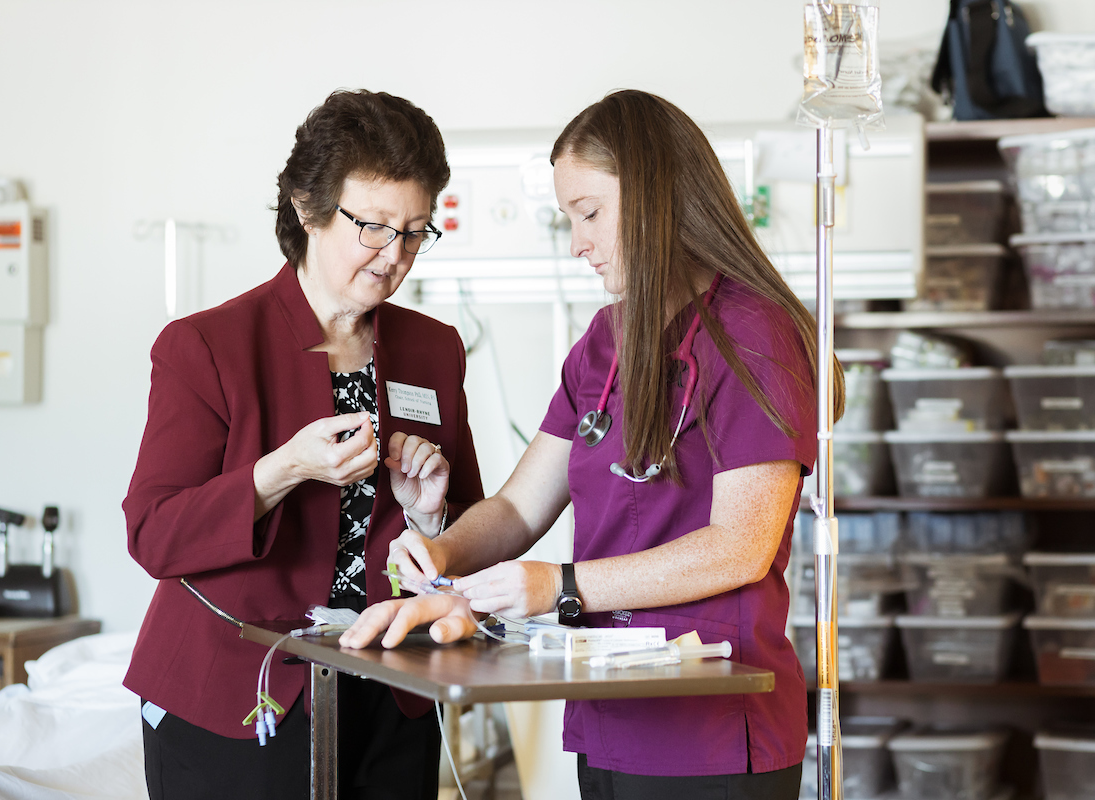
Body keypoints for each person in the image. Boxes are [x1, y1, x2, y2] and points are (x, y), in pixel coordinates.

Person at [340, 89, 845, 800]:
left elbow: (741, 545)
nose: (577, 242)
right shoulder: (604, 344)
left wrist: (560, 586)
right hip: (608, 713)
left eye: (590, 214)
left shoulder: (755, 337)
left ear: (656, 196)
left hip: (712, 728)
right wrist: (441, 556)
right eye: (569, 219)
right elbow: (519, 507)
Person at [122, 89, 484, 800]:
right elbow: (153, 535)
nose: (396, 255)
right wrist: (279, 471)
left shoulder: (433, 349)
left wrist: (431, 518)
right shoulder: (207, 347)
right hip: (237, 696)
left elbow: (475, 525)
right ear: (306, 207)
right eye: (374, 227)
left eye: (415, 231)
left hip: (392, 693)